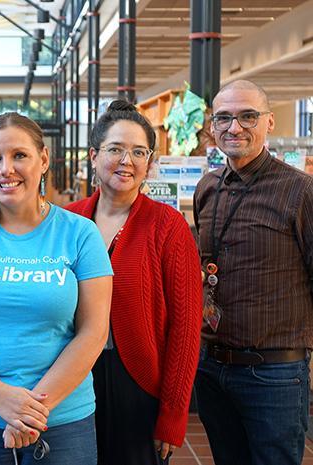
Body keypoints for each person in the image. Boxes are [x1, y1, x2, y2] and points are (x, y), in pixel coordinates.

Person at [0, 112, 113, 465]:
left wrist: (31, 411)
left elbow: (93, 331)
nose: (6, 169)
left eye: (20, 156)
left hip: (62, 423)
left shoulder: (79, 234)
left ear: (43, 159)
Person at [66, 101, 202, 465]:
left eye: (138, 151)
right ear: (93, 156)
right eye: (115, 149)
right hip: (72, 377)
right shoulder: (67, 221)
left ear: (150, 162)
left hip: (139, 384)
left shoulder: (168, 226)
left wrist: (174, 415)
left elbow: (186, 329)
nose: (127, 161)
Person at [193, 80, 313, 465]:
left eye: (248, 116)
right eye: (224, 118)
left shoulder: (300, 192)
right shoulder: (207, 188)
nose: (234, 127)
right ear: (212, 126)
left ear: (269, 122)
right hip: (213, 367)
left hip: (275, 373)